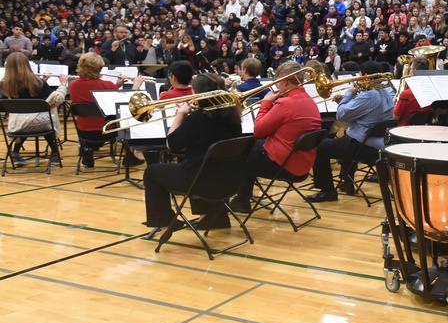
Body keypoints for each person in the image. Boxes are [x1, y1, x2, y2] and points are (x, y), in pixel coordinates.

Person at [141, 74, 243, 230]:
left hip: (203, 183)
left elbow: (171, 144)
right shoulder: (233, 117)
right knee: (196, 161)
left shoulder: (197, 118)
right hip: (230, 181)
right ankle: (214, 218)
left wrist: (180, 115)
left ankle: (166, 223)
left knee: (151, 173)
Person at [230, 62, 322, 212]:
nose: (277, 87)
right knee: (252, 148)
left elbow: (258, 131)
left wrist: (266, 103)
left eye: (278, 82)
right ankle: (243, 197)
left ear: (285, 82)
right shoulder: (310, 100)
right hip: (303, 164)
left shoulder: (285, 104)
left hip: (285, 165)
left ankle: (241, 200)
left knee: (240, 154)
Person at [306, 61, 394, 203]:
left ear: (365, 76)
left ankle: (327, 190)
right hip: (373, 142)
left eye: (359, 74)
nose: (357, 77)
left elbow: (341, 115)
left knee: (320, 147)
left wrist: (348, 94)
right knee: (344, 140)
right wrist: (349, 101)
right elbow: (358, 112)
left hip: (361, 145)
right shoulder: (385, 91)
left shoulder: (368, 95)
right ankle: (346, 182)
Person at [68, 52, 143, 168]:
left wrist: (116, 86)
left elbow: (90, 94)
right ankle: (129, 157)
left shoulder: (73, 85)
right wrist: (135, 87)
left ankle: (88, 148)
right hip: (107, 131)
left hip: (84, 131)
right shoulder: (107, 85)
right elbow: (127, 103)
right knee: (127, 118)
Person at [0, 52, 67, 167]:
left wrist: (43, 80)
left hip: (17, 125)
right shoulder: (39, 83)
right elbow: (57, 98)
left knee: (26, 119)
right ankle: (55, 154)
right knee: (46, 116)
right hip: (42, 123)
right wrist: (63, 84)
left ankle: (15, 153)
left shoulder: (4, 84)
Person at [393, 55, 431, 125]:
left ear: (414, 71)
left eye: (410, 69)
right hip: (421, 128)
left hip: (403, 129)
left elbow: (395, 117)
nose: (409, 71)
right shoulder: (431, 91)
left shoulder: (406, 94)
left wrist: (393, 103)